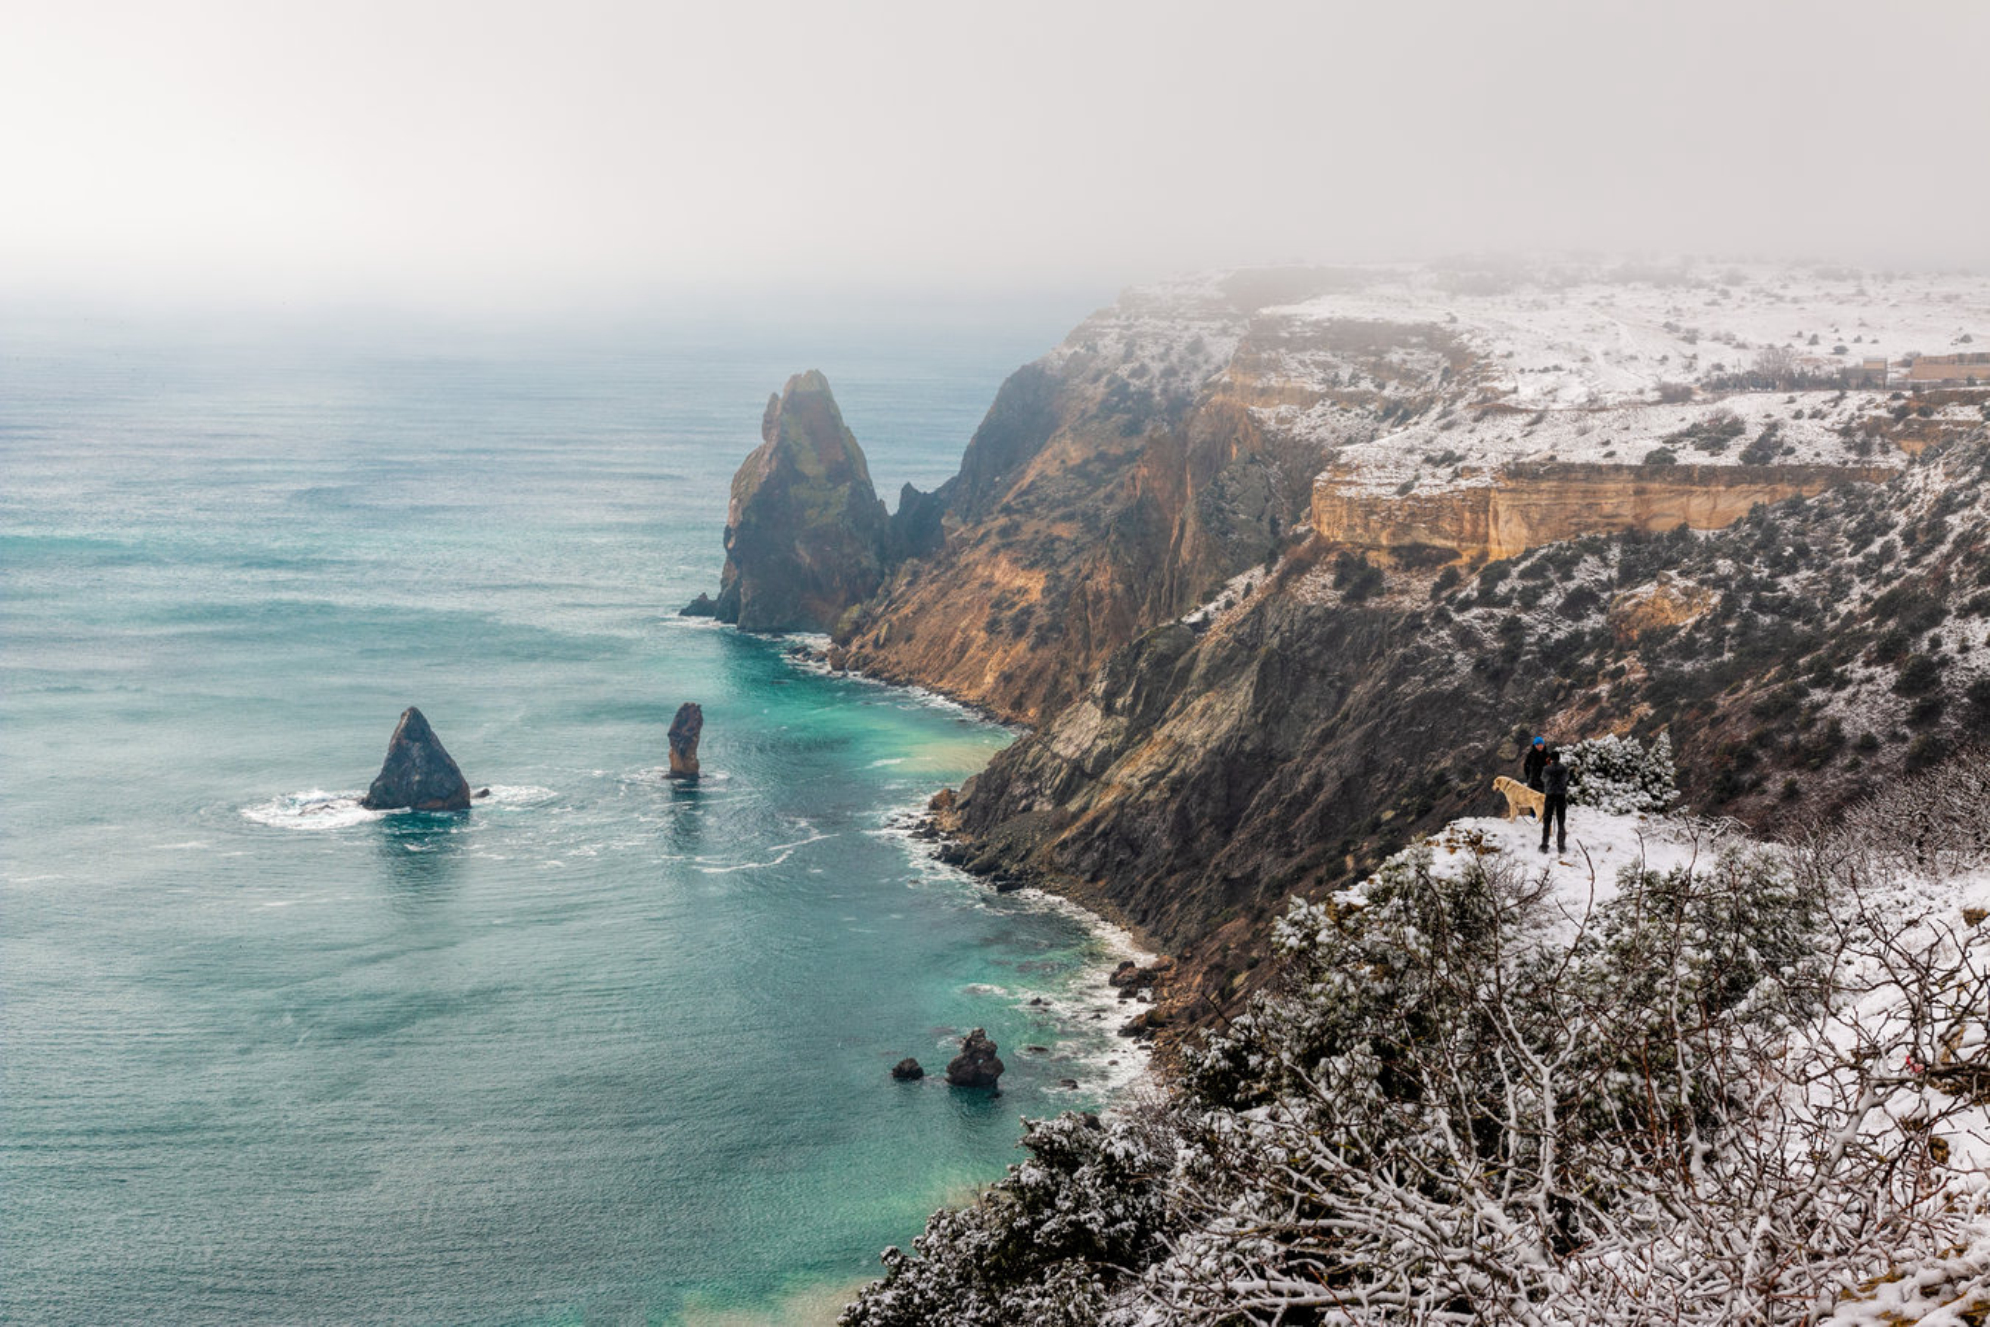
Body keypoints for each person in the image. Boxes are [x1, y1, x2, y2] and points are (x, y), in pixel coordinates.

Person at [1539, 749, 1570, 854]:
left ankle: (1544, 845)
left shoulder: (1546, 769)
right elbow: (1566, 778)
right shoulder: (1564, 768)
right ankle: (1561, 846)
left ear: (1551, 759)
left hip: (1550, 795)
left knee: (1547, 821)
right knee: (1561, 821)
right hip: (1561, 795)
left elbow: (1543, 778)